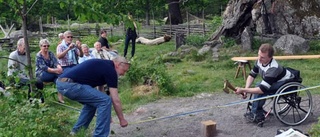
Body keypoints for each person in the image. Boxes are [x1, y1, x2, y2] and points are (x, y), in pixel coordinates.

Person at [56, 56, 129, 136]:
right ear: (118, 65)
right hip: (69, 85)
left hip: (62, 83)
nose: (123, 74)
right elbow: (115, 100)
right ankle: (100, 135)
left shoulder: (105, 66)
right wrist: (122, 119)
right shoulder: (110, 70)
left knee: (93, 103)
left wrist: (106, 114)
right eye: (124, 71)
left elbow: (99, 93)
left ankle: (76, 133)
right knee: (105, 100)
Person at [235, 43, 295, 122]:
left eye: (262, 57)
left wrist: (243, 90)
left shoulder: (273, 68)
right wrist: (246, 89)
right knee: (259, 85)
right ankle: (257, 110)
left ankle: (255, 112)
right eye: (258, 55)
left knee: (260, 87)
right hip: (275, 79)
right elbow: (252, 75)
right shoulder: (259, 61)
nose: (259, 59)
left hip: (285, 82)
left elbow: (261, 90)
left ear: (270, 57)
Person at [7, 38, 44, 102]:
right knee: (31, 83)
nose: (26, 50)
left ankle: (41, 100)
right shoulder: (13, 55)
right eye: (24, 48)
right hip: (15, 77)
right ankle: (31, 100)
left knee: (39, 82)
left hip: (25, 76)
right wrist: (27, 78)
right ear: (19, 46)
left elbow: (28, 68)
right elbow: (13, 71)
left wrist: (30, 77)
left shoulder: (27, 55)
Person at [56, 31, 83, 103]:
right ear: (64, 38)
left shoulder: (73, 46)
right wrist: (68, 49)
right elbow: (59, 57)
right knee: (65, 77)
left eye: (71, 37)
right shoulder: (61, 46)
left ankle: (79, 94)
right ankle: (62, 97)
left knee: (82, 74)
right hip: (64, 66)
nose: (70, 38)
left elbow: (81, 55)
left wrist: (79, 48)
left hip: (74, 64)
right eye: (68, 37)